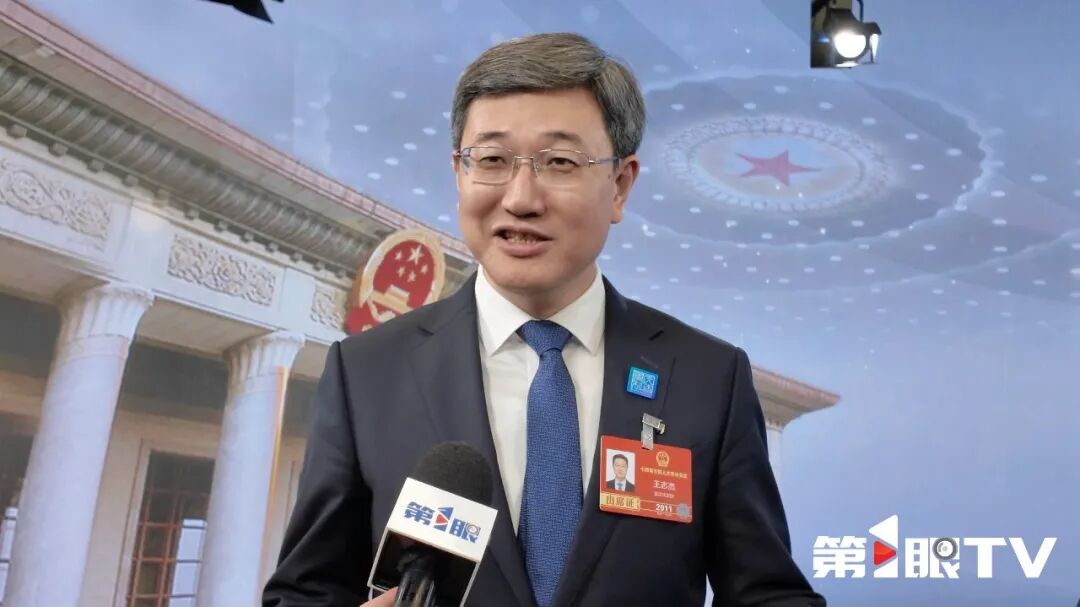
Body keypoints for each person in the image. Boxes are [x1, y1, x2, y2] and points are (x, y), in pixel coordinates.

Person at [263, 32, 826, 607]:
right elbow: (303, 594)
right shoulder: (367, 372)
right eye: (492, 160)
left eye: (560, 162)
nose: (521, 198)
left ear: (620, 185)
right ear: (459, 173)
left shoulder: (707, 378)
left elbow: (770, 596)